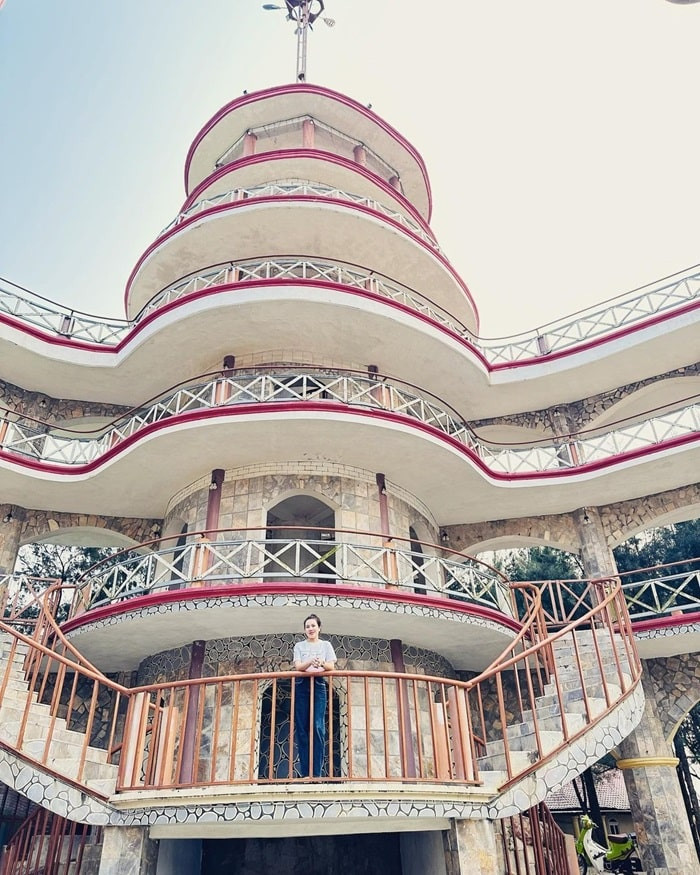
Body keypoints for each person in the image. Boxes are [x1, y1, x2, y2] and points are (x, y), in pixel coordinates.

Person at [293, 613, 336, 777]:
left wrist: (321, 663)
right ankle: (306, 774)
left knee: (318, 727)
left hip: (318, 684)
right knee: (302, 728)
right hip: (301, 684)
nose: (310, 629)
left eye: (313, 626)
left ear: (319, 628)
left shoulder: (326, 645)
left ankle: (316, 774)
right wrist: (310, 662)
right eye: (307, 626)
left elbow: (331, 666)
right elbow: (298, 667)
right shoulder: (299, 646)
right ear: (305, 630)